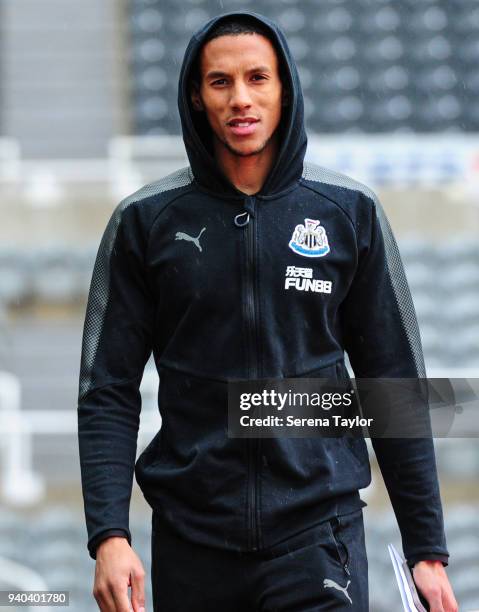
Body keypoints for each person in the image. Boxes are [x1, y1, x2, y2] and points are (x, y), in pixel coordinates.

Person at [77, 10, 458, 612]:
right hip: (191, 541)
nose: (241, 99)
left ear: (285, 89)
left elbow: (394, 389)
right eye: (220, 82)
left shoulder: (348, 211)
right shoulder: (145, 221)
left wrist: (427, 551)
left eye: (258, 78)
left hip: (319, 537)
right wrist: (109, 533)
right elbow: (108, 390)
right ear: (197, 98)